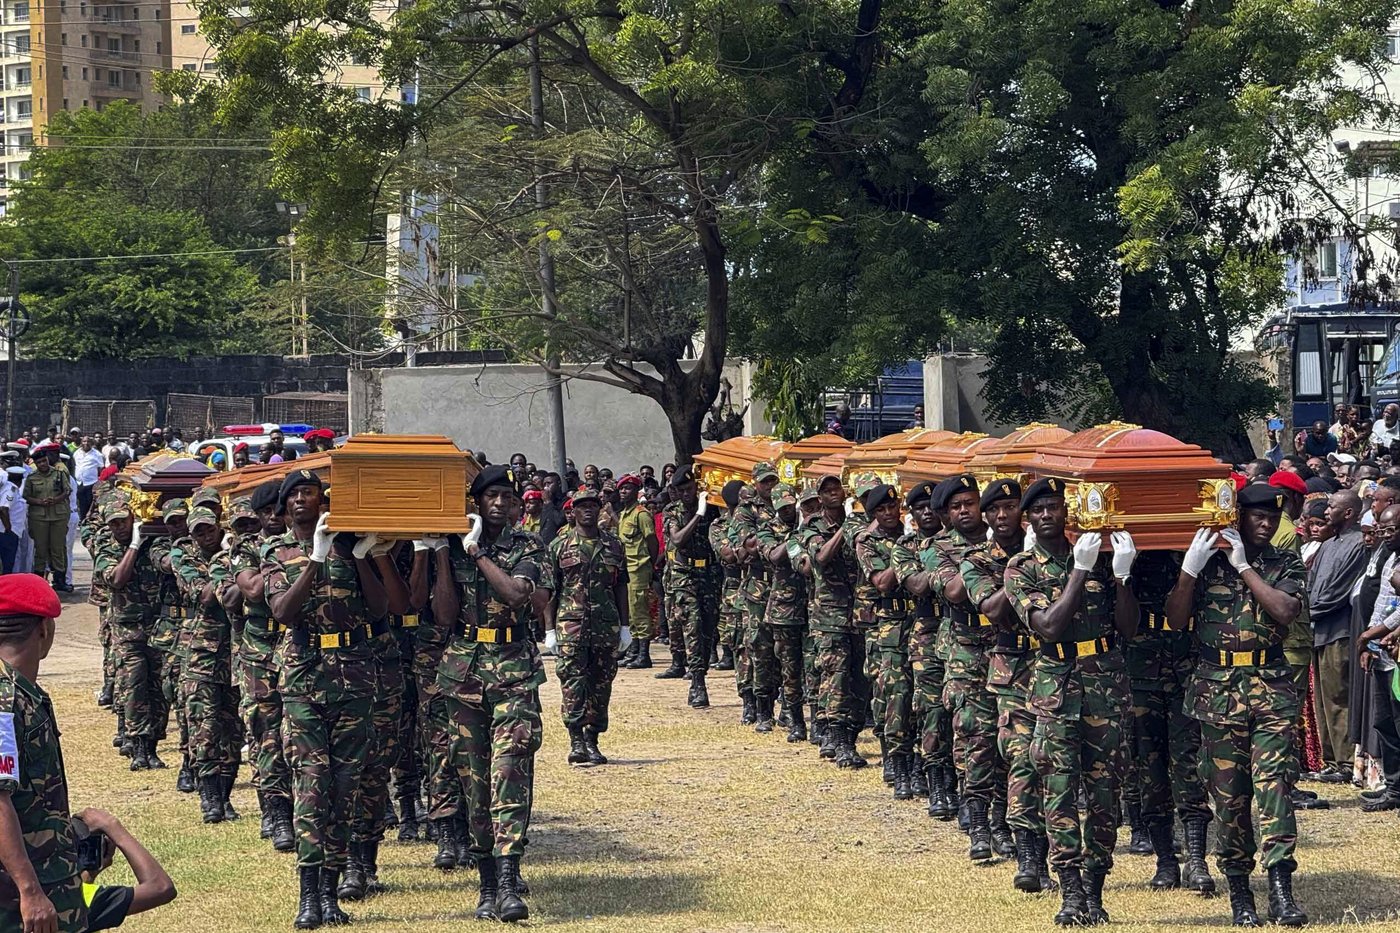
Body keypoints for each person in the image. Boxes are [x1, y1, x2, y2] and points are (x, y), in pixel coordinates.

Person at [1166, 487, 1309, 927]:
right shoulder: (1207, 565)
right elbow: (1174, 619)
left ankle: (1281, 889)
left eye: (1272, 517)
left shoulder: (1285, 562)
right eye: (1257, 516)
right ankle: (1240, 892)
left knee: (1275, 788)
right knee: (1229, 797)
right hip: (1217, 692)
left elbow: (1284, 610)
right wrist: (1190, 572)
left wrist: (1244, 565)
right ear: (1236, 517)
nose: (1266, 524)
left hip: (1270, 689)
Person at [1003, 477, 1139, 926]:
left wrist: (1120, 577)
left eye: (1054, 507)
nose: (1046, 515)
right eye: (1037, 509)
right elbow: (1048, 626)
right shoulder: (1021, 568)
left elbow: (1129, 627)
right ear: (1028, 518)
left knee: (1105, 794)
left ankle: (1096, 888)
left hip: (1105, 687)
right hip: (1055, 691)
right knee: (1058, 791)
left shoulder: (1098, 558)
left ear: (1069, 513)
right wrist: (1080, 571)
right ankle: (1071, 892)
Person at [262, 469, 390, 929]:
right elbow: (281, 610)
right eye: (293, 493)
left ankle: (331, 892)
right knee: (312, 782)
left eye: (309, 492)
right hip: (303, 677)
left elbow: (379, 609)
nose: (301, 499)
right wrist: (314, 558)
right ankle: (308, 893)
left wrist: (357, 556)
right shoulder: (277, 552)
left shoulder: (350, 546)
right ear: (284, 505)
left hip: (353, 675)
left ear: (322, 500)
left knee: (344, 785)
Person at [436, 465, 551, 922]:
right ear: (477, 502)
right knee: (473, 779)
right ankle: (486, 884)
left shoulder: (528, 546)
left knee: (510, 770)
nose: (499, 503)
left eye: (507, 496)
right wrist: (443, 554)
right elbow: (443, 614)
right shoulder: (452, 547)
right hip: (463, 671)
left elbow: (517, 594)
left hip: (513, 671)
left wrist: (477, 551)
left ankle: (508, 882)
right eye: (491, 496)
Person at [1124, 548, 1215, 894]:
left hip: (1188, 668)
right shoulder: (1128, 553)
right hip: (1141, 668)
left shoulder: (1194, 549)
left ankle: (1197, 859)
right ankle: (1165, 859)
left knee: (1190, 765)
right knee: (1150, 771)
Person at [0, 573, 85, 933]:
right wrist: (29, 891)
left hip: (47, 874)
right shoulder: (5, 700)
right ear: (44, 630)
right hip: (19, 895)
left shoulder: (22, 692)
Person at [230, 484, 294, 852]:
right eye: (265, 511)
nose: (273, 516)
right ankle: (275, 812)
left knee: (297, 733)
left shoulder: (301, 544)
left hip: (295, 645)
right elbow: (253, 590)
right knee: (265, 731)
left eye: (277, 509)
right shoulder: (246, 548)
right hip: (259, 651)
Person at [546, 485, 628, 764]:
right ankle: (576, 741)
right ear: (573, 511)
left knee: (601, 684)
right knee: (572, 683)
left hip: (605, 626)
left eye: (593, 505)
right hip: (571, 626)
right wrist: (548, 630)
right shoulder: (559, 546)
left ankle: (593, 739)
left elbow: (621, 587)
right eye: (582, 506)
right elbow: (551, 590)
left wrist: (626, 626)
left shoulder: (614, 544)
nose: (588, 510)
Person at [171, 507, 242, 821]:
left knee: (234, 729)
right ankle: (209, 798)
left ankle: (225, 797)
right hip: (202, 653)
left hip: (238, 651)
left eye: (209, 529)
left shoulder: (240, 550)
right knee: (205, 727)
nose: (205, 535)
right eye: (198, 531)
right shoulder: (185, 558)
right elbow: (205, 596)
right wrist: (228, 563)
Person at [855, 482, 918, 797]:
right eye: (881, 509)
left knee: (918, 695)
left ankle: (918, 760)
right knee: (891, 694)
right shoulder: (867, 540)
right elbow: (881, 582)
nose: (890, 513)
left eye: (893, 507)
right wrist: (904, 550)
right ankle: (896, 758)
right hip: (887, 626)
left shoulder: (914, 534)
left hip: (917, 621)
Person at [798, 473, 865, 768]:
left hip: (862, 614)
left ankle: (850, 733)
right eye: (826, 490)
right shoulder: (814, 527)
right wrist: (846, 527)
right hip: (830, 615)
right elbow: (821, 558)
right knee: (835, 677)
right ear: (820, 497)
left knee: (861, 679)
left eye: (837, 487)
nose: (833, 493)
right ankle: (837, 738)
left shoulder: (859, 521)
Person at [93, 500, 166, 771]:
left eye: (123, 521)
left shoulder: (152, 544)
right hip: (127, 630)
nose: (119, 527)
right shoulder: (107, 549)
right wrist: (134, 546)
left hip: (157, 627)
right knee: (134, 687)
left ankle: (153, 747)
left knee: (158, 688)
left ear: (132, 518)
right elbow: (116, 579)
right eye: (113, 523)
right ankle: (137, 745)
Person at [1307, 489, 1366, 783]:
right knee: (1322, 699)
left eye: (1332, 506)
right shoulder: (1328, 545)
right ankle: (1330, 760)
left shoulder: (1358, 544)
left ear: (1349, 513)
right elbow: (1313, 583)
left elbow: (1338, 592)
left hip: (1338, 630)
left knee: (1338, 696)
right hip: (1318, 630)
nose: (1327, 510)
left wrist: (1307, 612)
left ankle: (1344, 761)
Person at [661, 467, 718, 709]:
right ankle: (698, 683)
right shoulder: (672, 511)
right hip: (683, 576)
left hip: (709, 574)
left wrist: (710, 505)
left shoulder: (714, 507)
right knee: (692, 627)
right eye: (681, 490)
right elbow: (677, 540)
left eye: (689, 488)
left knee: (707, 629)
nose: (686, 494)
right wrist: (698, 514)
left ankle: (700, 670)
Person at [756, 482, 808, 735]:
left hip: (812, 605)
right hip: (784, 609)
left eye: (790, 505)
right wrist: (795, 536)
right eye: (782, 508)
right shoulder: (768, 529)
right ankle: (795, 719)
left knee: (813, 666)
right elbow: (774, 556)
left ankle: (818, 723)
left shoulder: (809, 522)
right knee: (789, 668)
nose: (787, 510)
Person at [72, 807, 176, 930]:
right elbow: (161, 888)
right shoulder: (81, 899)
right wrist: (112, 826)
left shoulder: (46, 899)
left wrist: (88, 875)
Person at [615, 474, 658, 668]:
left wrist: (652, 563)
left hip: (639, 567)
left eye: (628, 489)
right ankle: (633, 650)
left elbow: (652, 541)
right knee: (630, 611)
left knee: (639, 610)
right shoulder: (625, 514)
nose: (624, 492)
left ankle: (643, 654)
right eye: (622, 489)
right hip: (627, 567)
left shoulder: (641, 514)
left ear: (636, 491)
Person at [22, 453, 72, 592]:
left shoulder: (59, 474)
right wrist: (39, 502)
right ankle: (39, 581)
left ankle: (59, 581)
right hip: (39, 517)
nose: (43, 464)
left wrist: (56, 499)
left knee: (58, 549)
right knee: (40, 549)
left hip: (58, 516)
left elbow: (67, 490)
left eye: (44, 461)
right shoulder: (32, 478)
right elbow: (26, 496)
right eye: (39, 462)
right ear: (36, 464)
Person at [72, 437, 103, 521]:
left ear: (91, 443)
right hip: (79, 483)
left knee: (91, 503)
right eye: (84, 441)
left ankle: (90, 522)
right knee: (81, 503)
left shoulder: (97, 454)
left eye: (88, 441)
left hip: (91, 483)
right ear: (81, 442)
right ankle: (82, 520)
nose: (86, 443)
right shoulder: (76, 453)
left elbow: (101, 468)